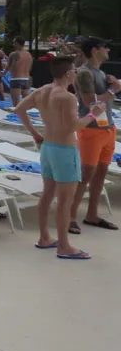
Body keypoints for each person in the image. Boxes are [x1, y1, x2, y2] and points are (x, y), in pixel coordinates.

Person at [13, 56, 102, 259]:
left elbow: (19, 109)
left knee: (47, 194)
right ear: (68, 74)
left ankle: (44, 237)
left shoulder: (42, 91)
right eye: (74, 71)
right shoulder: (67, 97)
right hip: (65, 150)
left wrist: (35, 134)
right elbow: (73, 127)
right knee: (65, 200)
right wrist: (93, 114)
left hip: (48, 148)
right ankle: (64, 246)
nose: (76, 74)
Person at [69, 37, 120, 234]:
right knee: (85, 176)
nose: (108, 50)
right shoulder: (84, 73)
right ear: (95, 50)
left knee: (100, 175)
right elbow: (90, 102)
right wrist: (114, 89)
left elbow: (103, 99)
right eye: (105, 47)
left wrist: (111, 85)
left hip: (108, 129)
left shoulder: (101, 73)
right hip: (91, 129)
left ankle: (92, 214)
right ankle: (70, 217)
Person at [7, 36, 34, 105]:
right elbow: (30, 67)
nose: (13, 44)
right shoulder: (29, 55)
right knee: (26, 104)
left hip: (16, 79)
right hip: (26, 79)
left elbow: (9, 67)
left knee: (16, 104)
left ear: (17, 43)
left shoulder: (14, 54)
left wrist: (2, 73)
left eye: (14, 42)